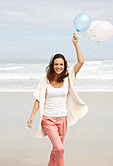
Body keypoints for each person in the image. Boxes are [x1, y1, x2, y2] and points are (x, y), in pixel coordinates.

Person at [27, 32, 88, 166]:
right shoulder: (45, 80)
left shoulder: (68, 78)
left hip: (62, 119)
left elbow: (81, 61)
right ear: (52, 66)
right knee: (60, 148)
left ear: (64, 66)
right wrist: (32, 116)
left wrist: (76, 44)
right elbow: (38, 98)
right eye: (56, 64)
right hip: (48, 119)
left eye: (61, 64)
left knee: (56, 150)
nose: (59, 67)